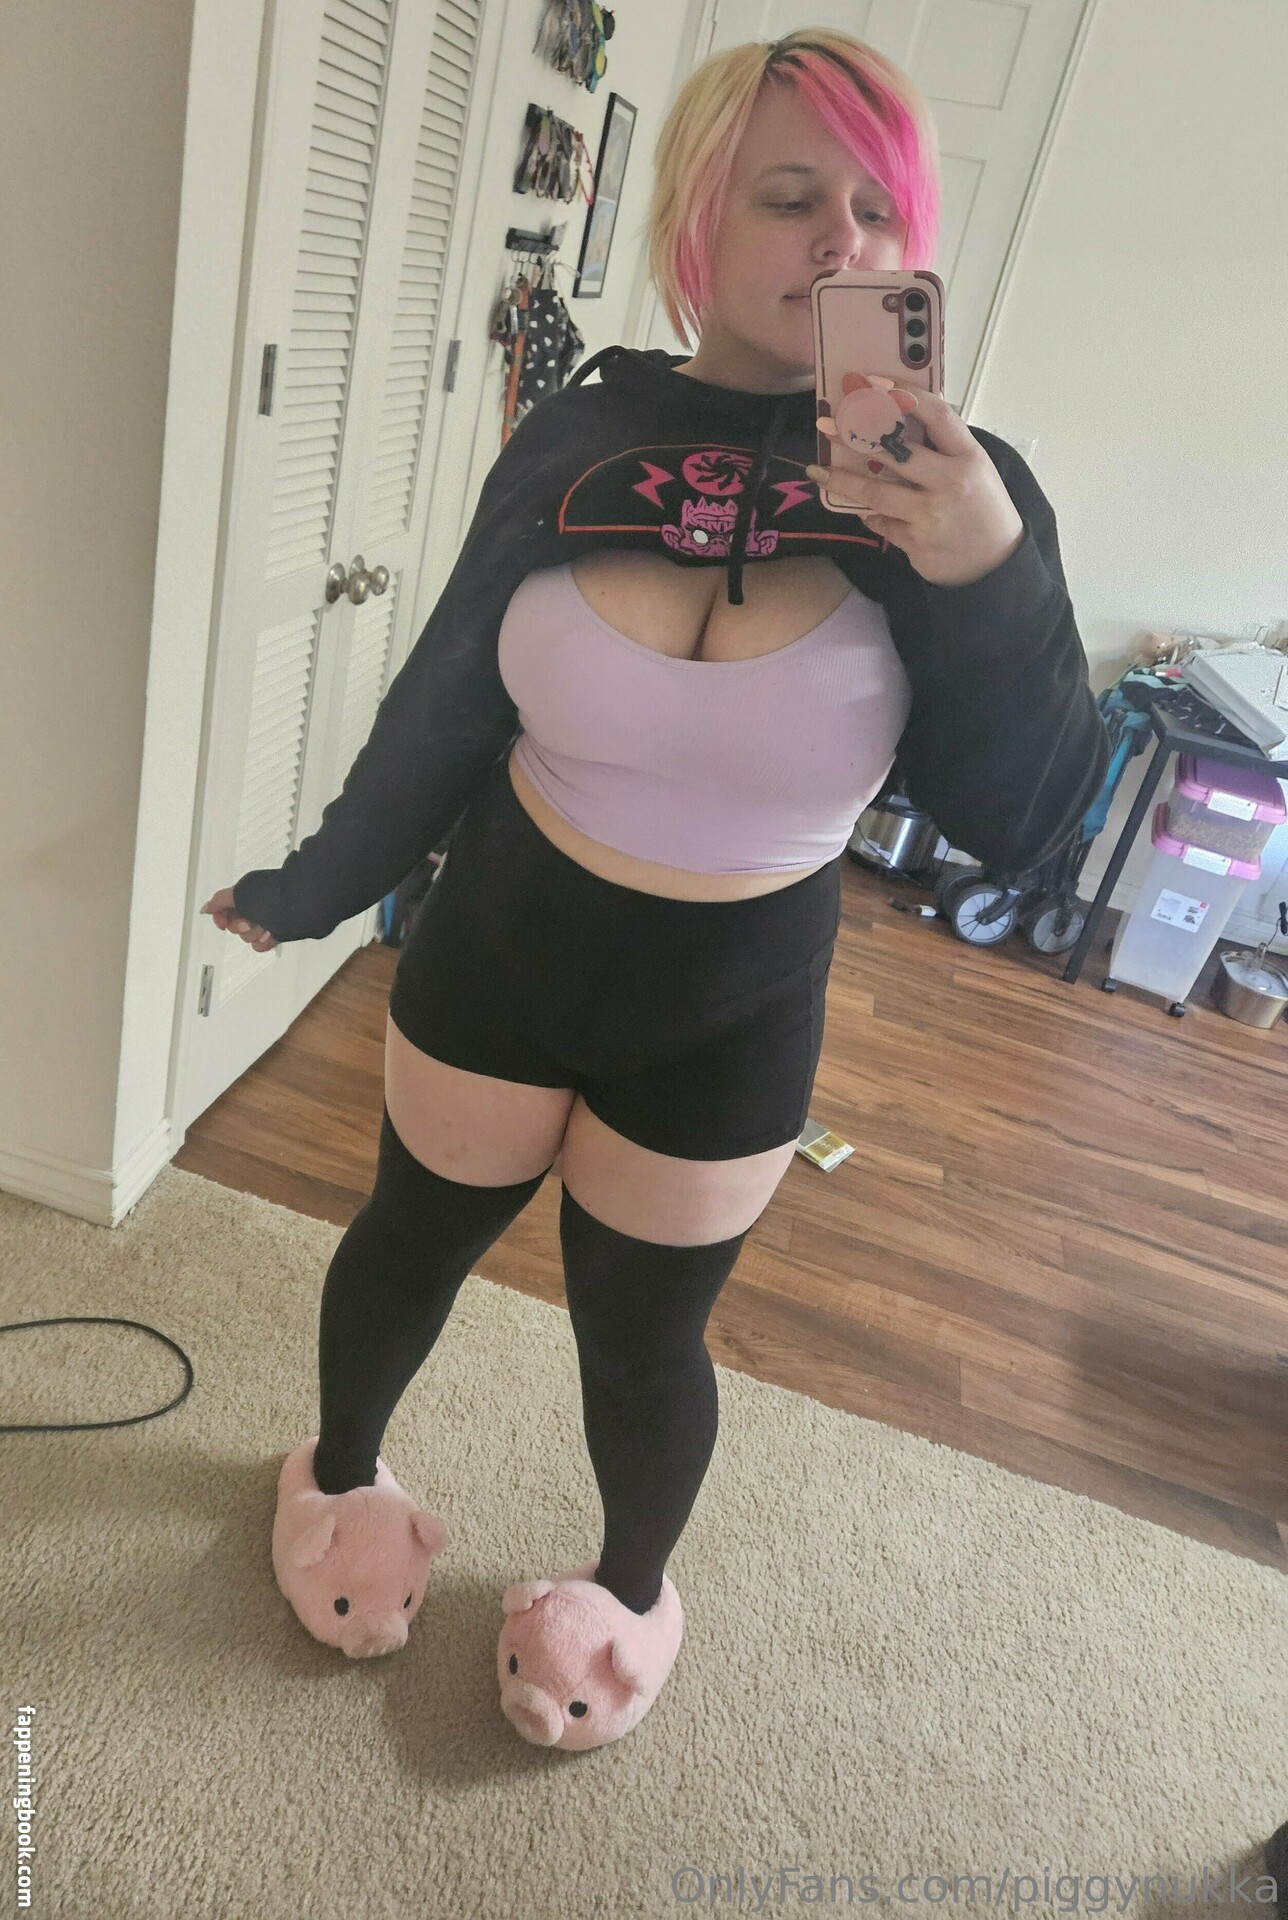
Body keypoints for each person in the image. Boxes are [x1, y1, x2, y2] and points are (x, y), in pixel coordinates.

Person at [201, 29, 1110, 1747]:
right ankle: (338, 1480)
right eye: (788, 197)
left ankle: (625, 1599)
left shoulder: (965, 494)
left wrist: (984, 567)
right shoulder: (581, 431)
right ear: (698, 215)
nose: (839, 240)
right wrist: (321, 879)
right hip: (499, 944)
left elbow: (1028, 824)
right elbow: (449, 696)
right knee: (409, 1240)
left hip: (732, 1006)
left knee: (641, 1340)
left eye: (876, 208)